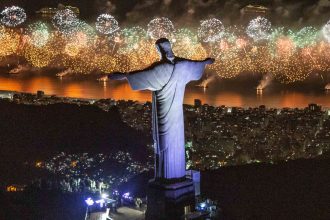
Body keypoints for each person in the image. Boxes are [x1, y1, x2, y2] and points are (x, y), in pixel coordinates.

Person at [107, 38, 214, 181]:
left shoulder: (161, 68)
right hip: (177, 113)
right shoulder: (182, 64)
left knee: (164, 141)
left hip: (164, 110)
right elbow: (196, 65)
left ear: (159, 50)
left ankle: (166, 176)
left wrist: (123, 76)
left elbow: (140, 76)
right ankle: (177, 174)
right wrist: (205, 63)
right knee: (176, 140)